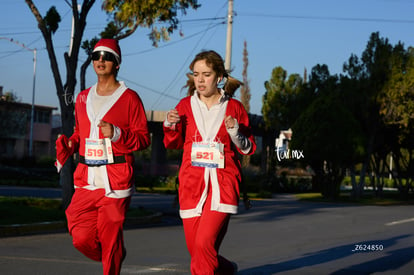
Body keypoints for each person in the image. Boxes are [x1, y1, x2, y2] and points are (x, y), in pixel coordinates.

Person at [55, 38, 150, 275]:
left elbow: (143, 139)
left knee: (110, 235)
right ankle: (114, 252)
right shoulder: (83, 97)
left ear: (116, 63)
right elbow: (80, 133)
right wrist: (71, 143)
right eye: (97, 55)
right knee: (79, 236)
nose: (100, 60)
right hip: (86, 178)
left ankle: (112, 257)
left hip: (116, 179)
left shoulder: (130, 98)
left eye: (107, 56)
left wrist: (117, 134)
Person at [163, 50, 256, 274]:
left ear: (219, 77)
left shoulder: (234, 108)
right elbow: (172, 143)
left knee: (203, 247)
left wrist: (234, 132)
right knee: (198, 251)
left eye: (206, 74)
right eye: (196, 74)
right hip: (191, 186)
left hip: (222, 186)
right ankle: (226, 269)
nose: (200, 80)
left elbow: (247, 147)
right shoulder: (185, 106)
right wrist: (170, 125)